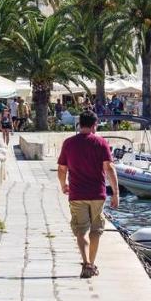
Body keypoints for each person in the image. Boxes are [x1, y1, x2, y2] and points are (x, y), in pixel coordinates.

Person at [56, 111, 119, 279]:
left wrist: (64, 185)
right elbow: (109, 168)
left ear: (79, 124)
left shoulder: (69, 143)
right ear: (94, 125)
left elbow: (62, 169)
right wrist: (116, 193)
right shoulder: (101, 142)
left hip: (77, 194)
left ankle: (86, 264)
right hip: (97, 194)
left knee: (80, 230)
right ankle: (91, 263)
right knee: (96, 230)